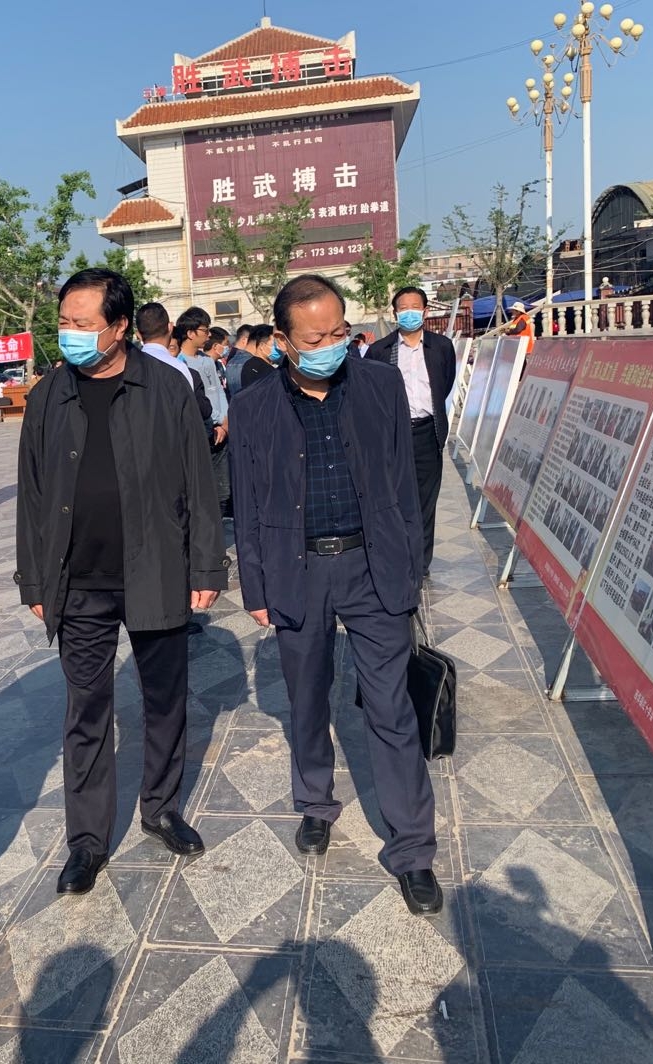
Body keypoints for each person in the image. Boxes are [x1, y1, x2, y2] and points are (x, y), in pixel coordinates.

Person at [230, 274, 441, 918]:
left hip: (373, 566)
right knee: (306, 698)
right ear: (283, 341)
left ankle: (412, 848)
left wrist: (411, 568)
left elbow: (403, 485)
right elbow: (248, 503)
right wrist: (257, 586)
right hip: (298, 570)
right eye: (315, 338)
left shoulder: (380, 385)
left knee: (391, 706)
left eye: (339, 333)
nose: (330, 346)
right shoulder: (253, 407)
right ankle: (315, 803)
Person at [16, 268, 228, 896]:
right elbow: (32, 493)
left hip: (155, 570)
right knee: (86, 708)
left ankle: (160, 808)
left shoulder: (166, 386)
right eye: (64, 322)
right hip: (77, 579)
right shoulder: (49, 395)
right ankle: (86, 840)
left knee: (165, 700)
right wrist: (34, 580)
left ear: (119, 328)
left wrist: (206, 566)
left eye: (83, 324)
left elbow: (199, 482)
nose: (70, 334)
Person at [365, 286, 458, 576]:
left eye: (414, 307)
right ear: (395, 313)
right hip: (394, 435)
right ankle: (399, 556)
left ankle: (420, 562)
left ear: (425, 311)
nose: (409, 313)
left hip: (428, 432)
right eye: (403, 308)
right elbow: (371, 391)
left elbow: (445, 383)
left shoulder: (441, 347)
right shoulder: (380, 351)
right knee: (395, 498)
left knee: (426, 501)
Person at [176, 308, 231, 517]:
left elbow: (219, 392)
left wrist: (225, 422)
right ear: (190, 333)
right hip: (202, 431)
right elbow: (198, 402)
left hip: (221, 430)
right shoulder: (180, 363)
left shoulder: (208, 360)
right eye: (205, 330)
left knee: (222, 492)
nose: (208, 335)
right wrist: (215, 421)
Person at [236, 324, 281, 391]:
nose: (278, 348)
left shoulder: (247, 364)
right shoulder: (264, 370)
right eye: (274, 345)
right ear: (262, 346)